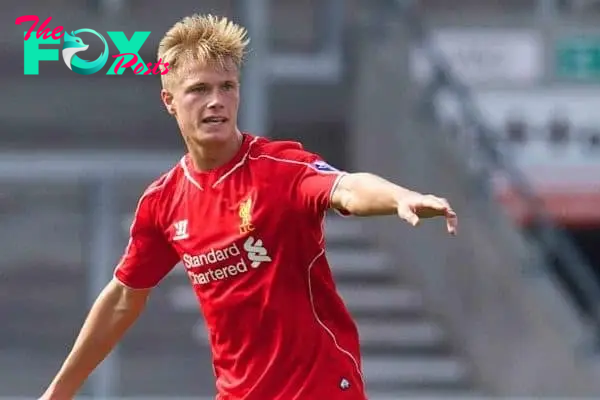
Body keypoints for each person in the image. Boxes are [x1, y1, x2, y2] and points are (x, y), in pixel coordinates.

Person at [40, 13, 458, 400]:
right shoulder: (164, 202)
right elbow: (122, 299)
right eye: (199, 89)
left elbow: (346, 188)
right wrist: (58, 392)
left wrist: (399, 197)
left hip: (320, 389)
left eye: (227, 87)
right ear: (169, 100)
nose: (216, 101)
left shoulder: (280, 169)